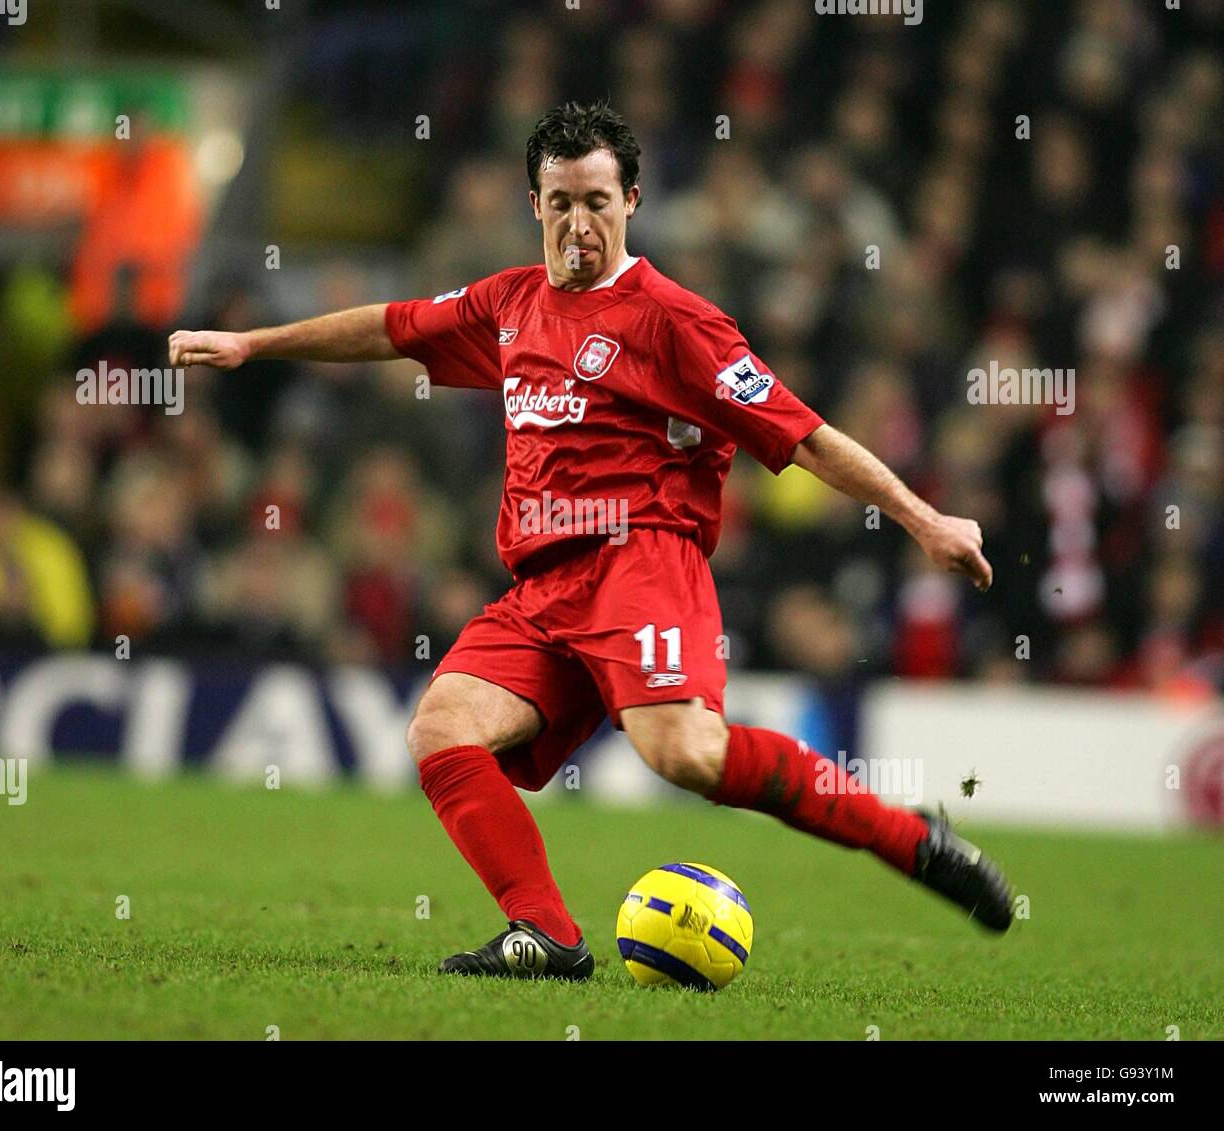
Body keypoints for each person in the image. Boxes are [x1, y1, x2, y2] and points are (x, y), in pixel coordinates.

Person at [170, 101, 1012, 983]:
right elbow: (391, 326)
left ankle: (909, 837)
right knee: (442, 728)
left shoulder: (675, 321)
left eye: (598, 201)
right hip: (541, 589)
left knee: (685, 754)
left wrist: (923, 517)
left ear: (633, 201)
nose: (580, 222)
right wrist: (253, 342)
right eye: (562, 200)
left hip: (641, 563)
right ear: (535, 204)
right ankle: (545, 932)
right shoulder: (507, 303)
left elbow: (804, 435)